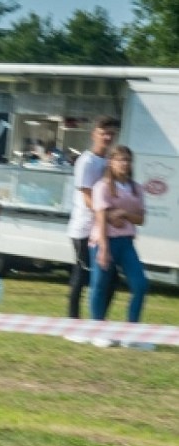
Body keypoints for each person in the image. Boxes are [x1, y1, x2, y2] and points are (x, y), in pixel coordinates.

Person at [88, 145, 149, 344]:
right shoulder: (102, 187)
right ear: (111, 162)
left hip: (126, 242)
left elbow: (141, 219)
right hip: (104, 240)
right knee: (100, 285)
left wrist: (123, 214)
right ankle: (97, 329)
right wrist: (104, 250)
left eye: (127, 160)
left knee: (140, 284)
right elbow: (101, 218)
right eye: (120, 160)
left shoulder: (136, 188)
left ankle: (131, 331)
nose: (124, 164)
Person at [65, 116, 119, 324]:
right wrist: (107, 215)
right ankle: (73, 318)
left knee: (110, 277)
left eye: (111, 134)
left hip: (102, 228)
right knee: (82, 274)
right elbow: (88, 198)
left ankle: (98, 319)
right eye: (103, 133)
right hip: (84, 227)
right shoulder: (86, 161)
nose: (107, 137)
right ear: (93, 134)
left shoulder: (108, 160)